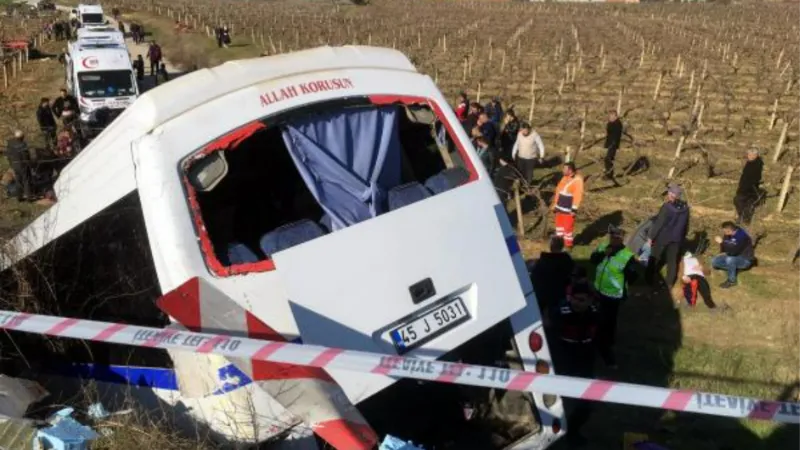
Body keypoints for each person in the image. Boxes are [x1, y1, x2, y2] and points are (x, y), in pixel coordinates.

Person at [550, 279, 599, 446]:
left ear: (591, 300)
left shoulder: (595, 313)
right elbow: (551, 338)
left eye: (582, 300)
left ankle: (573, 431)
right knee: (557, 402)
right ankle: (552, 432)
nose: (578, 303)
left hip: (585, 363)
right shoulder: (560, 313)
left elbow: (599, 337)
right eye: (575, 298)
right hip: (563, 362)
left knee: (586, 405)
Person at [591, 225, 637, 368]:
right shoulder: (604, 247)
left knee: (608, 323)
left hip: (613, 295)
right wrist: (603, 254)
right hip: (598, 290)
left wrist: (622, 282)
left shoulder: (627, 256)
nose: (612, 240)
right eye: (611, 237)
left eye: (616, 238)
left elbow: (633, 275)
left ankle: (607, 348)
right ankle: (594, 341)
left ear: (621, 239)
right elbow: (593, 260)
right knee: (595, 318)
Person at [645, 183, 690, 294]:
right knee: (672, 261)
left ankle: (648, 279)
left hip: (663, 237)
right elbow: (686, 225)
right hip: (677, 239)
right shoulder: (686, 208)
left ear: (672, 194)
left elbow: (659, 224)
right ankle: (669, 283)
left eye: (670, 192)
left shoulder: (667, 207)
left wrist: (651, 237)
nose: (668, 194)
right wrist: (682, 237)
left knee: (654, 257)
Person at [529, 235, 575, 319]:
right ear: (562, 246)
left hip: (544, 299)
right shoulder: (568, 262)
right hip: (561, 297)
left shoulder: (542, 262)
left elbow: (534, 280)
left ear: (551, 246)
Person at [551, 162, 583, 249]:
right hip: (559, 207)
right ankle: (558, 244)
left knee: (567, 228)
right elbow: (558, 191)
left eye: (565, 169)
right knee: (559, 227)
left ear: (570, 170)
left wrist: (574, 209)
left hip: (568, 208)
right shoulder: (564, 178)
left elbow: (577, 195)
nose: (563, 170)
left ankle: (568, 246)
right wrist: (555, 205)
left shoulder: (577, 180)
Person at [712, 221, 754, 288]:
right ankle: (734, 269)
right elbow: (725, 247)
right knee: (714, 261)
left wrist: (722, 242)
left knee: (730, 259)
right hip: (733, 256)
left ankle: (732, 281)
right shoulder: (727, 234)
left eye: (725, 232)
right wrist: (721, 253)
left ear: (729, 230)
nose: (724, 233)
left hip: (745, 259)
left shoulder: (741, 236)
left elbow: (734, 252)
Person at [734, 148, 764, 226]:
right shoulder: (751, 162)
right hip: (745, 186)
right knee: (743, 202)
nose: (749, 156)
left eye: (751, 155)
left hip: (749, 187)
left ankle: (744, 218)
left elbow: (757, 177)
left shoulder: (757, 164)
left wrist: (748, 185)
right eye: (748, 154)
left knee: (740, 201)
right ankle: (744, 218)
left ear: (755, 155)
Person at [5, 130, 33, 201]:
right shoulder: (23, 145)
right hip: (22, 165)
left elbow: (8, 155)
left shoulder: (10, 143)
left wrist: (11, 164)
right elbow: (26, 157)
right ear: (22, 137)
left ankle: (19, 197)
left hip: (14, 165)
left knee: (18, 180)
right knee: (26, 180)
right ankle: (29, 197)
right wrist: (29, 165)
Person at [604, 109, 623, 180]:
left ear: (615, 116)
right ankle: (609, 173)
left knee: (608, 159)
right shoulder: (611, 123)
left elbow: (616, 135)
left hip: (613, 144)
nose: (610, 117)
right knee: (608, 159)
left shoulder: (617, 124)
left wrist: (613, 144)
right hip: (611, 143)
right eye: (609, 116)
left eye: (611, 116)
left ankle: (609, 174)